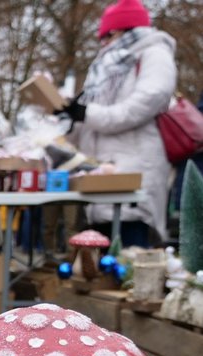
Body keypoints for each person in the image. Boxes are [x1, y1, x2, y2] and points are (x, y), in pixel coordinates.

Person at [59, 0, 176, 246]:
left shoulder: (155, 55)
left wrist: (86, 114)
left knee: (130, 259)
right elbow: (89, 118)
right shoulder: (103, 67)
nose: (104, 43)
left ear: (126, 29)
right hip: (100, 182)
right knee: (98, 262)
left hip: (134, 174)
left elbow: (140, 106)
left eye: (108, 35)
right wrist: (66, 120)